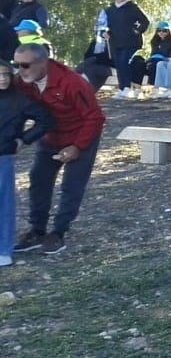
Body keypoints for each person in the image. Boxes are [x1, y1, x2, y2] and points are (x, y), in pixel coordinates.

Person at [12, 39, 106, 255]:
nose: (20, 70)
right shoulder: (22, 82)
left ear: (43, 62)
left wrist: (77, 147)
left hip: (81, 135)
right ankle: (37, 230)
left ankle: (59, 232)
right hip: (51, 137)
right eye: (16, 65)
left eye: (25, 65)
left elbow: (95, 117)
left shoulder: (72, 82)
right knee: (38, 180)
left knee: (72, 186)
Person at [0, 56, 51, 265]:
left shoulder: (20, 99)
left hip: (3, 155)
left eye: (5, 74)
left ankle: (4, 249)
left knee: (3, 204)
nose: (2, 79)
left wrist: (24, 139)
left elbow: (45, 119)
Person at [106, 0, 150, 97]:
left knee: (124, 62)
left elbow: (145, 21)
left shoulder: (133, 8)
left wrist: (137, 30)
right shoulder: (109, 10)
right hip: (115, 42)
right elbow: (104, 25)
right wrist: (104, 33)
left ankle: (126, 88)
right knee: (119, 65)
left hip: (131, 42)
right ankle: (122, 89)